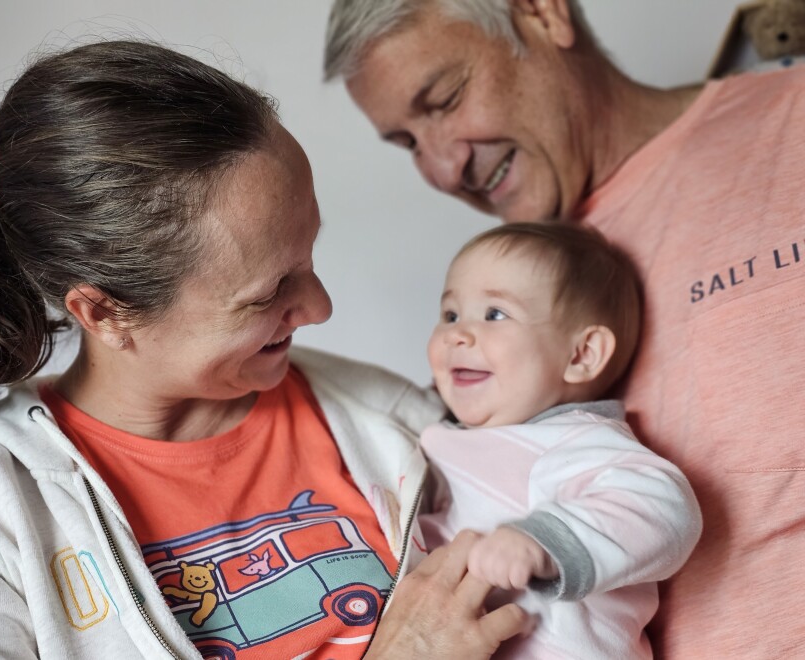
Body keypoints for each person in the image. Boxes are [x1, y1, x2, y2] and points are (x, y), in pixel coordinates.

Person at [0, 40, 531, 659]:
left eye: (308, 254)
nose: (320, 309)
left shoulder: (394, 417)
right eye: (269, 292)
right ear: (105, 313)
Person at [324, 1, 805, 655]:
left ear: (543, 14)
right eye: (408, 143)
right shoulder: (520, 294)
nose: (440, 170)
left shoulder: (790, 120)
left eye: (444, 99)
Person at [419, 221, 701, 658]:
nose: (458, 333)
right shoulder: (441, 436)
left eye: (495, 314)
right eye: (451, 314)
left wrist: (544, 542)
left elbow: (666, 508)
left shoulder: (573, 440)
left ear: (581, 355)